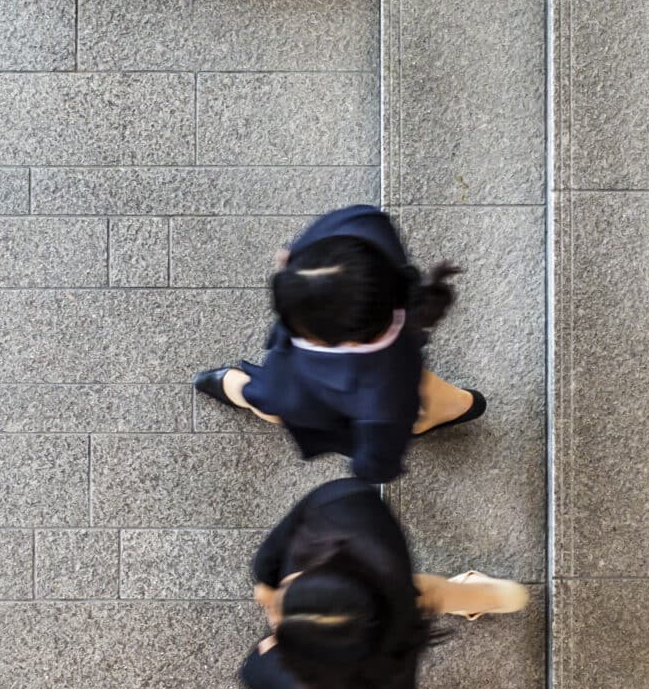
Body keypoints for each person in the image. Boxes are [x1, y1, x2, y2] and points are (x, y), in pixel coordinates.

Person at [194, 205, 485, 485]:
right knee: (413, 385)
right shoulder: (366, 229)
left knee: (266, 402)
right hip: (398, 363)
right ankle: (458, 404)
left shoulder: (364, 402)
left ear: (343, 340)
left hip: (347, 404)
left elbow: (376, 461)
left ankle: (236, 387)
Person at [240, 476, 528, 689]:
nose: (268, 602)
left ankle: (477, 596)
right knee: (419, 592)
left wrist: (266, 585)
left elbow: (252, 673)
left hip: (362, 658)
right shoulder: (346, 506)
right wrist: (267, 580)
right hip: (383, 574)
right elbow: (328, 501)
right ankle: (481, 595)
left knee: (255, 670)